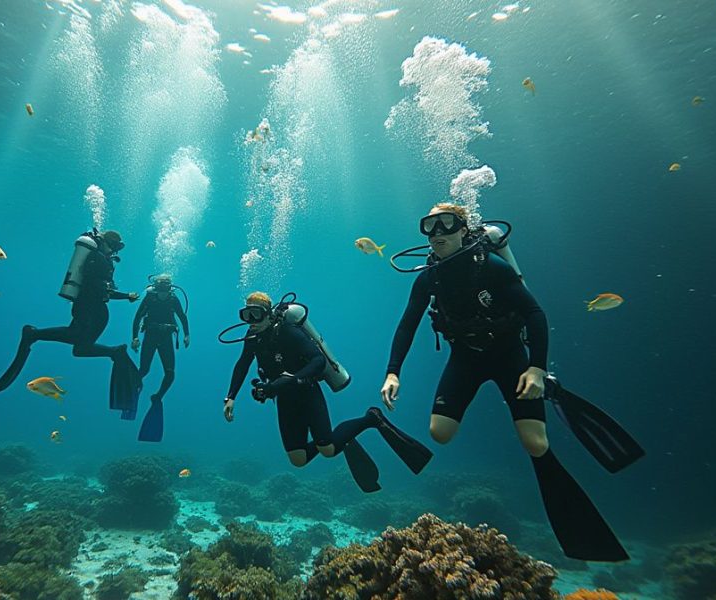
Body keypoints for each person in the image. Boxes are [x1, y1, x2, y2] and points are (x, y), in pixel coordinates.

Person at [380, 203, 630, 561]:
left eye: (445, 224)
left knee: (534, 443)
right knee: (440, 432)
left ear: (464, 230)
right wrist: (393, 371)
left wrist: (537, 369)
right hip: (465, 357)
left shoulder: (492, 268)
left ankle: (551, 390)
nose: (437, 233)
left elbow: (535, 313)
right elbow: (407, 324)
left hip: (509, 356)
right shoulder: (428, 278)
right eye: (429, 226)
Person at [222, 292, 433, 493]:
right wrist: (231, 397)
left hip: (307, 393)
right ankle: (339, 438)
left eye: (255, 314)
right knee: (298, 460)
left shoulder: (287, 331)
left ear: (268, 313)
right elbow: (242, 364)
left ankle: (371, 418)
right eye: (246, 314)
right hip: (285, 399)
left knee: (328, 450)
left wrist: (290, 380)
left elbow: (318, 360)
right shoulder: (252, 337)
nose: (251, 320)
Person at [0, 229, 143, 418]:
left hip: (87, 307)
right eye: (113, 246)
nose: (114, 251)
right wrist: (122, 295)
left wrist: (122, 295)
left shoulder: (100, 258)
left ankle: (34, 334)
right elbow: (98, 287)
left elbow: (100, 287)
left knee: (79, 347)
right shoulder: (99, 259)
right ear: (105, 243)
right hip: (92, 310)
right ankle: (35, 334)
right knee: (81, 346)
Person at [131, 274, 190, 441]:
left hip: (166, 338)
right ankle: (133, 385)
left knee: (170, 373)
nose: (163, 292)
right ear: (156, 288)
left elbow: (182, 317)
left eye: (166, 289)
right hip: (150, 335)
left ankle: (157, 396)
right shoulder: (150, 298)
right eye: (161, 289)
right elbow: (137, 318)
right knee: (144, 369)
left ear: (170, 288)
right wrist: (135, 338)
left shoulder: (173, 299)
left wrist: (187, 335)